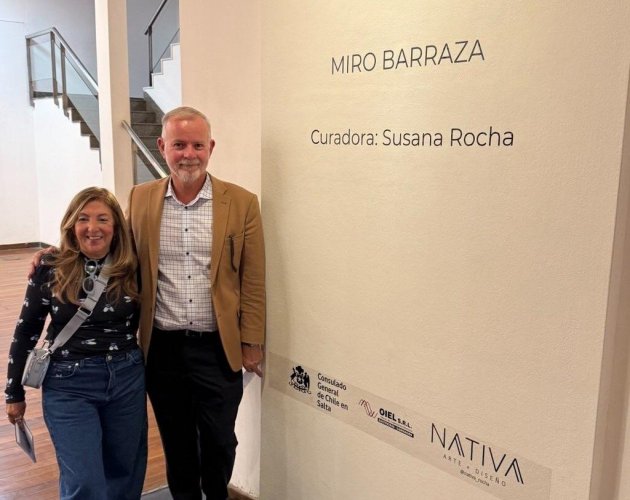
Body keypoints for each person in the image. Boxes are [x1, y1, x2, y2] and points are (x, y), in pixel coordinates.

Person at [127, 106, 265, 500]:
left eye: (197, 146)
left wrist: (251, 340)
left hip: (217, 347)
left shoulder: (241, 202)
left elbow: (253, 278)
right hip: (163, 348)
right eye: (179, 145)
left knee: (220, 439)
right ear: (162, 147)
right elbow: (117, 256)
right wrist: (57, 256)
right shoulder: (140, 198)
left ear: (211, 147)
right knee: (178, 441)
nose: (189, 154)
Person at [5, 187, 147, 500]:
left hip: (126, 378)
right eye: (83, 219)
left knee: (125, 474)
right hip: (69, 382)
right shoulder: (50, 267)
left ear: (116, 226)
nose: (92, 227)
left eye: (102, 219)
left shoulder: (134, 265)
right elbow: (27, 329)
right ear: (71, 225)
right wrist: (14, 392)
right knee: (84, 482)